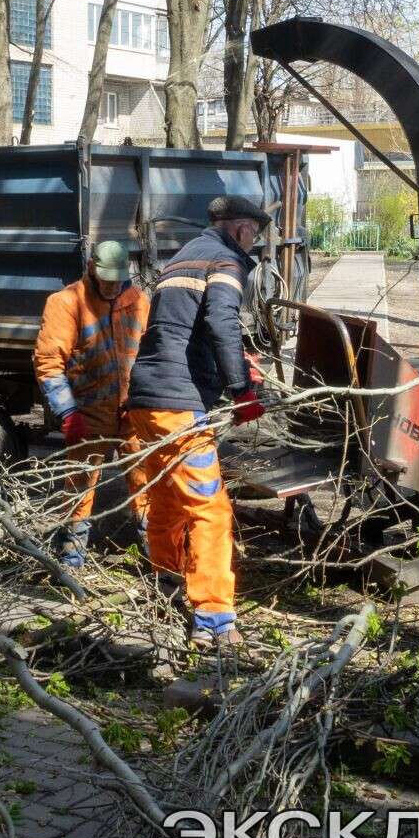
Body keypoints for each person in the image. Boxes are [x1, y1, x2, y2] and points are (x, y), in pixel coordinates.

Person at [122, 194, 270, 646]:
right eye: (256, 234)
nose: (255, 243)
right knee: (210, 507)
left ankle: (166, 585)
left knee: (168, 500)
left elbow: (185, 328)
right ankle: (213, 619)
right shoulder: (227, 262)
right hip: (177, 403)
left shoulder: (183, 257)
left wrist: (234, 365)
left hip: (145, 398)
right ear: (242, 229)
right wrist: (243, 389)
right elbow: (223, 322)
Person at [32, 240, 150, 569]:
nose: (112, 286)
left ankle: (158, 560)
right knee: (80, 488)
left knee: (146, 483)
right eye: (106, 279)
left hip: (132, 414)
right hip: (89, 414)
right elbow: (48, 364)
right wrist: (68, 413)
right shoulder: (65, 303)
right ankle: (70, 562)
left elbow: (152, 352)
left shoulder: (138, 301)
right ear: (91, 270)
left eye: (118, 279)